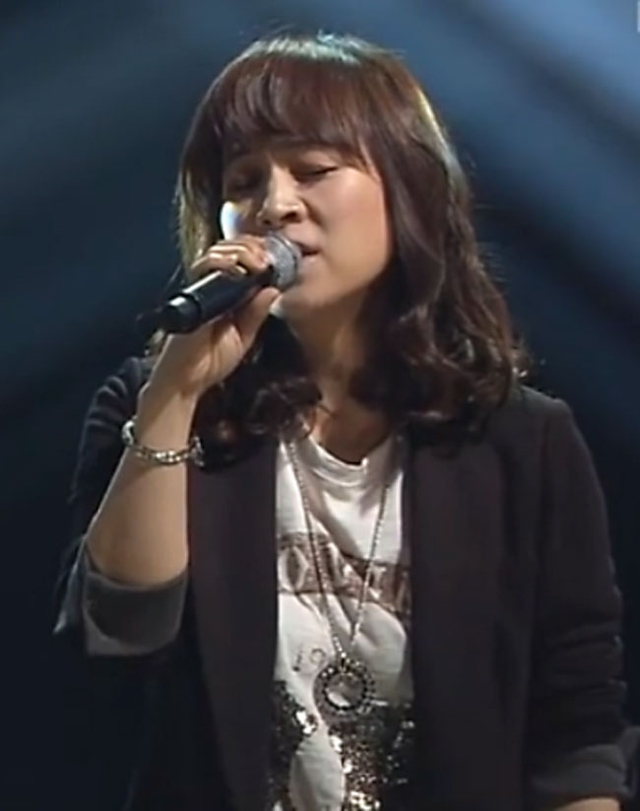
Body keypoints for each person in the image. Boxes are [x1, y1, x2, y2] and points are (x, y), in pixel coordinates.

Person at [54, 31, 638, 811]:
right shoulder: (156, 405)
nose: (274, 204)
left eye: (313, 168)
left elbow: (576, 731)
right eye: (244, 181)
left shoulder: (520, 440)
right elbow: (119, 637)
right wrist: (176, 394)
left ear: (406, 185)